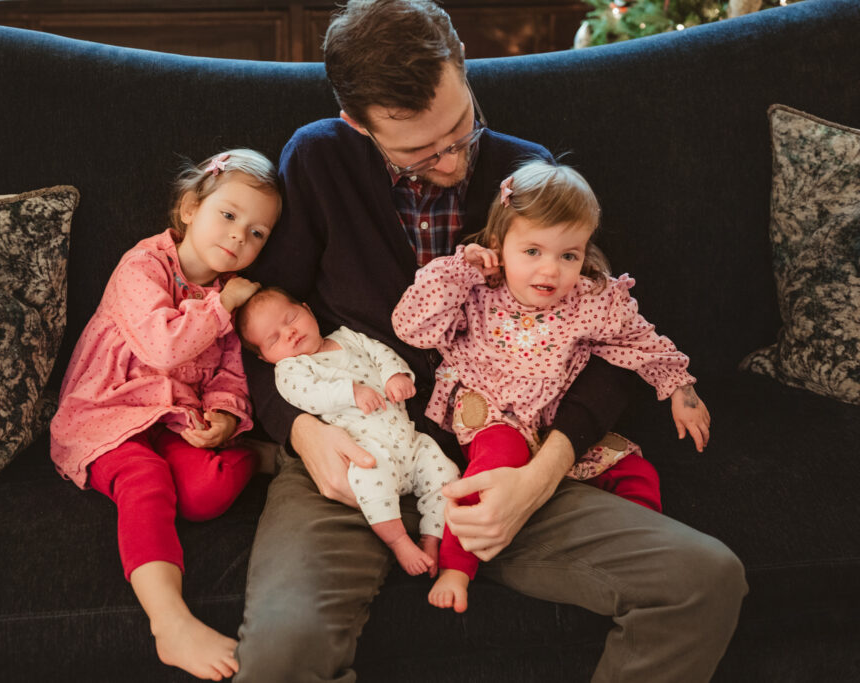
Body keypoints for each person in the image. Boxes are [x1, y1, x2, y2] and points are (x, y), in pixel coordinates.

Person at [236, 1, 746, 681]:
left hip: (502, 458)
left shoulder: (527, 175)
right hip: (355, 448)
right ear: (359, 123)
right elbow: (258, 326)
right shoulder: (320, 158)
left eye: (460, 126)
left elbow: (608, 340)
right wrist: (300, 433)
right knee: (282, 649)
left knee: (704, 579)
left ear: (463, 68)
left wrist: (536, 480)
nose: (452, 160)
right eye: (421, 150)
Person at [392, 158, 712, 612]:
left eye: (568, 255)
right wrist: (461, 270)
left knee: (636, 469)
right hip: (494, 414)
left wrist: (679, 388)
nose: (550, 271)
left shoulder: (589, 300)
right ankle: (456, 566)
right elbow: (412, 326)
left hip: (555, 425)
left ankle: (635, 547)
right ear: (500, 246)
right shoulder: (478, 291)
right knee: (496, 465)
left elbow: (639, 341)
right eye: (533, 252)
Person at [49, 149, 280, 681]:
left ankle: (256, 457)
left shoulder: (230, 293)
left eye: (258, 233)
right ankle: (170, 623)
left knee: (204, 495)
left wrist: (224, 416)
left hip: (174, 417)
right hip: (105, 414)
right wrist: (222, 310)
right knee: (146, 478)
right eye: (228, 215)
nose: (239, 237)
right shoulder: (144, 265)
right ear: (188, 209)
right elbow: (162, 347)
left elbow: (228, 371)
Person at [236, 287, 461, 575]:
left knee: (445, 472)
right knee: (369, 482)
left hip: (410, 440)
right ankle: (399, 541)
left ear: (307, 308)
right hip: (367, 448)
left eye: (290, 318)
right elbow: (308, 394)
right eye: (274, 339)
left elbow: (380, 352)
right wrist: (351, 392)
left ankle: (432, 537)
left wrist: (394, 374)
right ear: (266, 358)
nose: (289, 333)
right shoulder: (292, 369)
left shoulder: (348, 337)